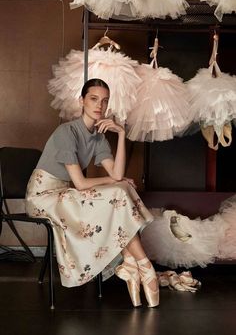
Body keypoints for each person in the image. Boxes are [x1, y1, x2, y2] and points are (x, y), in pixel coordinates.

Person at [25, 78, 159, 308]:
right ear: (82, 101)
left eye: (104, 101)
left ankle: (131, 262)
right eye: (94, 99)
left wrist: (120, 134)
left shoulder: (98, 136)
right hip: (43, 195)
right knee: (117, 189)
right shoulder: (66, 132)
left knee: (122, 188)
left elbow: (117, 174)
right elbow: (80, 182)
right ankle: (143, 264)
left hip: (64, 193)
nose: (100, 105)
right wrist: (114, 181)